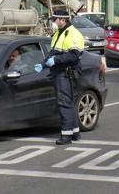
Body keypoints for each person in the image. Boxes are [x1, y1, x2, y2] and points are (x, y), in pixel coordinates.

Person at [34, 9, 84, 145]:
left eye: (55, 20)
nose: (53, 22)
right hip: (59, 73)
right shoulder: (58, 33)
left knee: (64, 104)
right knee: (67, 103)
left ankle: (66, 135)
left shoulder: (73, 34)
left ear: (63, 20)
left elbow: (74, 56)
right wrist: (43, 64)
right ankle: (74, 133)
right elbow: (53, 53)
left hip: (66, 73)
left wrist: (56, 61)